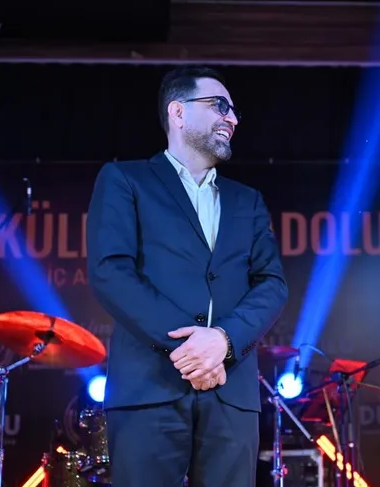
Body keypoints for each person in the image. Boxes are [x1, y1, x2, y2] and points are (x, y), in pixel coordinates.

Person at [87, 65, 288, 487]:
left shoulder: (248, 201)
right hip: (149, 389)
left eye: (233, 111)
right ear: (177, 112)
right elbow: (111, 272)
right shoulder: (126, 179)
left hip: (231, 394)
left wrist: (223, 341)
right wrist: (192, 349)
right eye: (220, 106)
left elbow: (272, 284)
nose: (232, 119)